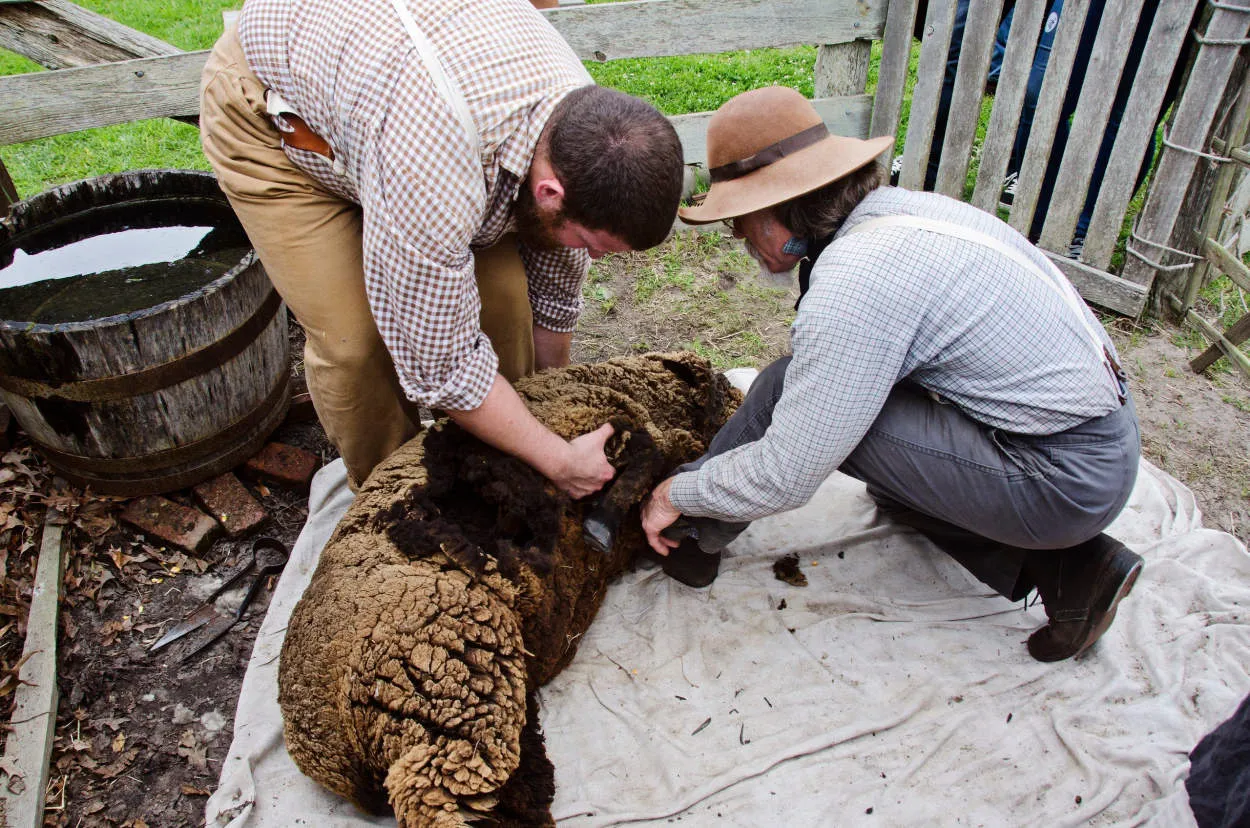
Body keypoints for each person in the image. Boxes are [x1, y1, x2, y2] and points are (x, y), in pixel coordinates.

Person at [641, 86, 1144, 663]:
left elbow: (788, 471)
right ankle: (1077, 572)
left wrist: (676, 490)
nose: (737, 237)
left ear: (783, 206)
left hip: (1062, 477)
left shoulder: (856, 279)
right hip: (1099, 442)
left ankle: (685, 535)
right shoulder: (902, 213)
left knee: (794, 398)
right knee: (875, 464)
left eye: (740, 219)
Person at [199, 0, 684, 493]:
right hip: (279, 122)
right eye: (591, 244)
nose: (593, 257)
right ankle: (396, 500)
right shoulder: (435, 173)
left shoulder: (578, 127)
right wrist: (558, 462)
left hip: (390, 109)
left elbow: (553, 297)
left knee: (506, 302)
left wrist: (558, 413)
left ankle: (505, 468)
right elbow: (443, 366)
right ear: (550, 193)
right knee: (357, 343)